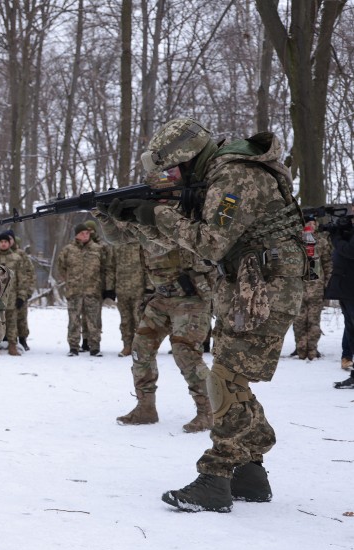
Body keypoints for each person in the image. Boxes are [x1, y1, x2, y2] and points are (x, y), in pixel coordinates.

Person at [101, 117, 306, 512]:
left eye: (173, 169)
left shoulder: (234, 175)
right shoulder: (216, 175)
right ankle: (250, 469)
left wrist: (154, 214)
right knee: (229, 379)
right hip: (247, 285)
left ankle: (215, 478)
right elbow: (192, 238)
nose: (171, 177)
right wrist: (129, 216)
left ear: (189, 157)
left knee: (225, 379)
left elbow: (210, 243)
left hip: (268, 287)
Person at [95, 212, 214, 432]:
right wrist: (103, 215)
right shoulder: (143, 220)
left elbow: (162, 245)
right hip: (162, 297)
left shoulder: (179, 217)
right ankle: (145, 407)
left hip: (190, 298)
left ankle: (209, 411)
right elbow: (116, 238)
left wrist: (139, 219)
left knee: (185, 352)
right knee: (140, 348)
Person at [55, 219, 110, 356]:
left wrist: (104, 286)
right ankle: (73, 346)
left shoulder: (98, 250)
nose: (86, 235)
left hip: (93, 291)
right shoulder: (68, 250)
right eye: (82, 233)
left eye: (87, 233)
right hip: (74, 291)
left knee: (94, 321)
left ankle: (95, 346)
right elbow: (61, 268)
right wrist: (70, 281)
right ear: (76, 235)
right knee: (73, 320)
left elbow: (105, 269)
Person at [291, 219, 333, 360]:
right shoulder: (295, 242)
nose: (310, 226)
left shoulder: (320, 242)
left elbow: (327, 264)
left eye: (313, 224)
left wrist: (327, 284)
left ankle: (312, 351)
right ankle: (302, 350)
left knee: (313, 321)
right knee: (299, 321)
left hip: (315, 289)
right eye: (308, 224)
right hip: (299, 289)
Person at [324, 213, 354, 388]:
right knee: (350, 329)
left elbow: (350, 250)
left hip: (350, 288)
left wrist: (335, 236)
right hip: (346, 288)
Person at [109, 242, 146, 357]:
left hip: (139, 289)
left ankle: (141, 348)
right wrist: (110, 288)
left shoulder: (140, 245)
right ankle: (127, 346)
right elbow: (111, 267)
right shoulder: (117, 245)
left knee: (139, 319)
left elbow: (148, 266)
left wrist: (149, 287)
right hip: (122, 289)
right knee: (125, 321)